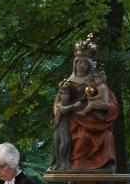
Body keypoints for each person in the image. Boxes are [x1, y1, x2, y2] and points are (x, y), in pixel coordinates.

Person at [49, 34, 119, 171]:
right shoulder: (68, 82)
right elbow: (58, 99)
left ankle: (101, 164)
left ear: (90, 66)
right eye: (79, 62)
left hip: (92, 116)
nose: (81, 65)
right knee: (82, 136)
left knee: (107, 135)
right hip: (72, 116)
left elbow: (111, 102)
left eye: (85, 63)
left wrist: (105, 106)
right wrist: (56, 109)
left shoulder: (96, 81)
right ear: (75, 63)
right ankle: (73, 164)